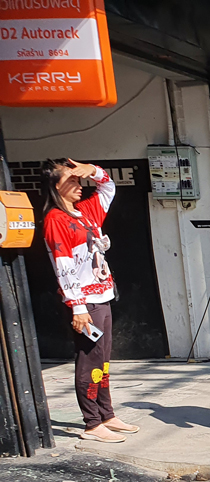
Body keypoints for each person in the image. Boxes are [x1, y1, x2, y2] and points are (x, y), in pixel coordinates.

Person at [42, 158, 139, 443]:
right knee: (90, 360)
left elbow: (108, 188)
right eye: (70, 181)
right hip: (85, 301)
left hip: (102, 293)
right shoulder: (55, 220)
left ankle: (107, 413)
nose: (78, 186)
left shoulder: (83, 212)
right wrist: (78, 307)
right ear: (54, 186)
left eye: (78, 180)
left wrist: (92, 170)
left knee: (103, 360)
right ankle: (92, 422)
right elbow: (62, 265)